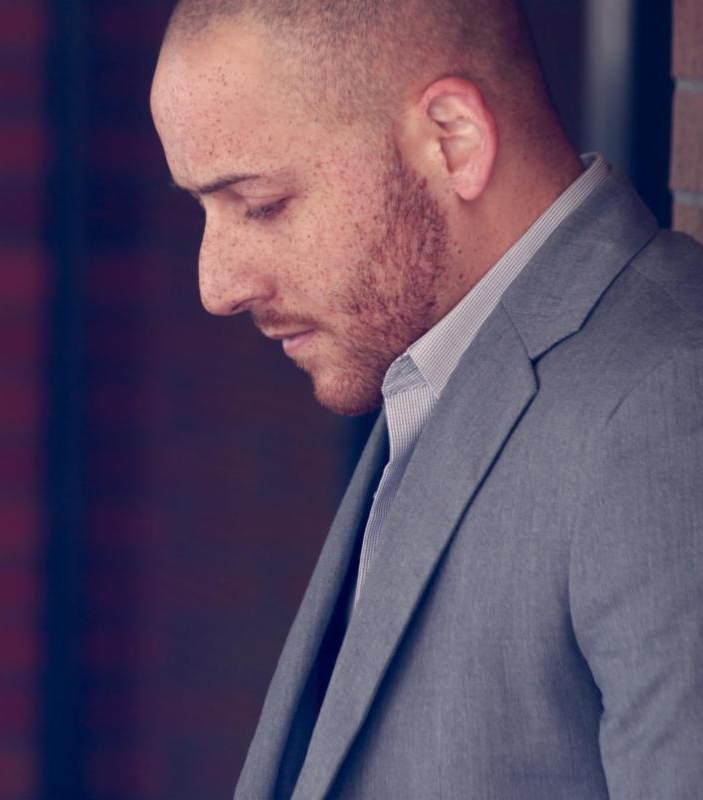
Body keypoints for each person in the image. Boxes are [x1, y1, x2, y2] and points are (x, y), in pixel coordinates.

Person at [150, 0, 703, 797]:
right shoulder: (433, 372)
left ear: (454, 139)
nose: (216, 286)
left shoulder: (667, 403)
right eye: (203, 208)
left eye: (262, 204)